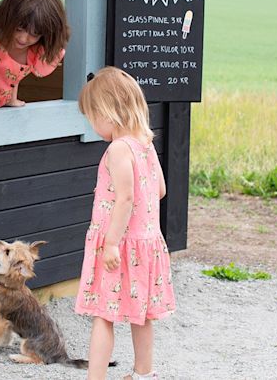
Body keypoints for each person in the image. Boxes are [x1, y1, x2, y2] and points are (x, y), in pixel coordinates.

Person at [74, 67, 176, 380]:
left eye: (92, 117)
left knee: (103, 315)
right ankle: (144, 373)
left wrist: (111, 243)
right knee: (140, 314)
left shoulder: (118, 148)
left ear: (108, 113)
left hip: (117, 246)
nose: (92, 126)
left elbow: (125, 198)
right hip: (145, 244)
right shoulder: (145, 143)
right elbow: (160, 190)